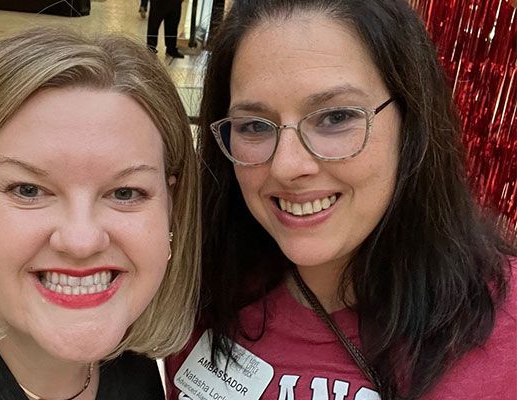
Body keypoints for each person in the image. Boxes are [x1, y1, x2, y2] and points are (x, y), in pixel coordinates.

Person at [165, 0, 516, 399]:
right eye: (254, 126)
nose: (286, 166)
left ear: (411, 119)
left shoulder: (505, 334)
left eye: (335, 117)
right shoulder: (200, 293)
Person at [0, 28, 200, 399]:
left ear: (171, 210)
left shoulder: (132, 364)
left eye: (125, 193)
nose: (81, 241)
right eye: (28, 190)